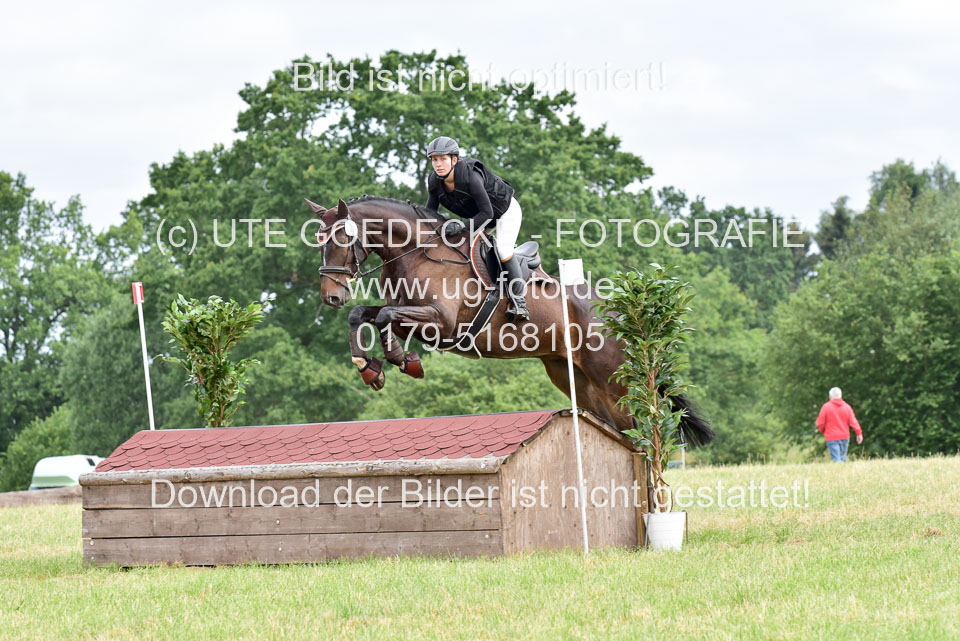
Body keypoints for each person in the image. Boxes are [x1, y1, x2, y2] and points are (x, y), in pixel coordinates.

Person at [423, 136, 530, 322]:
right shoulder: (434, 181)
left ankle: (519, 301)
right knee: (459, 246)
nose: (438, 164)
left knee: (503, 250)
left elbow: (488, 213)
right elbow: (430, 214)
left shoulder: (470, 177)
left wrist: (462, 226)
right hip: (481, 216)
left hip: (504, 211)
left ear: (454, 160)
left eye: (443, 159)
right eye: (434, 160)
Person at [816, 387, 863, 462]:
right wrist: (859, 433)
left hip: (831, 437)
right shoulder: (847, 407)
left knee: (836, 459)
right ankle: (843, 469)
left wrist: (823, 431)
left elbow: (820, 423)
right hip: (845, 436)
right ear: (841, 395)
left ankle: (838, 468)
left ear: (830, 396)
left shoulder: (826, 407)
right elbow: (853, 422)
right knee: (843, 458)